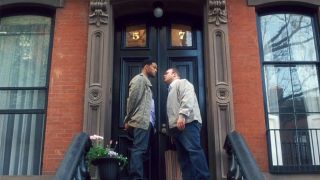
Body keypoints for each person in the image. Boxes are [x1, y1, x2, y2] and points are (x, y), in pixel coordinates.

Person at [163, 68, 210, 180]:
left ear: (174, 74)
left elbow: (187, 98)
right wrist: (172, 131)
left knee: (194, 152)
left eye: (166, 73)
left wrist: (182, 115)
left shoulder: (182, 82)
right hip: (177, 128)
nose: (163, 75)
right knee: (184, 159)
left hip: (187, 124)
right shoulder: (171, 89)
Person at [124, 59, 157, 180]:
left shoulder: (146, 82)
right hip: (140, 122)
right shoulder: (139, 79)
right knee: (138, 151)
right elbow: (132, 101)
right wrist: (127, 120)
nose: (155, 70)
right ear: (147, 67)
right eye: (154, 67)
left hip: (147, 124)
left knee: (142, 152)